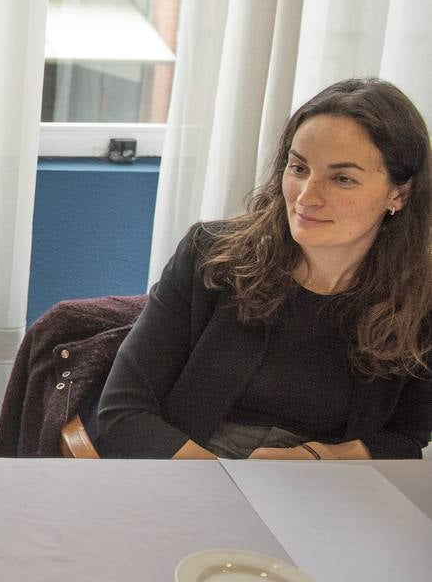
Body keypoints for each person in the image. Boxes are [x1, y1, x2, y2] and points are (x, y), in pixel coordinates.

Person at [97, 78, 432, 459]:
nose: (306, 197)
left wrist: (319, 458)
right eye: (299, 168)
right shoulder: (211, 256)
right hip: (191, 470)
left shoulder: (421, 298)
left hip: (322, 491)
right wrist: (226, 486)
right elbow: (123, 413)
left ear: (398, 194)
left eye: (342, 179)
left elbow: (405, 436)